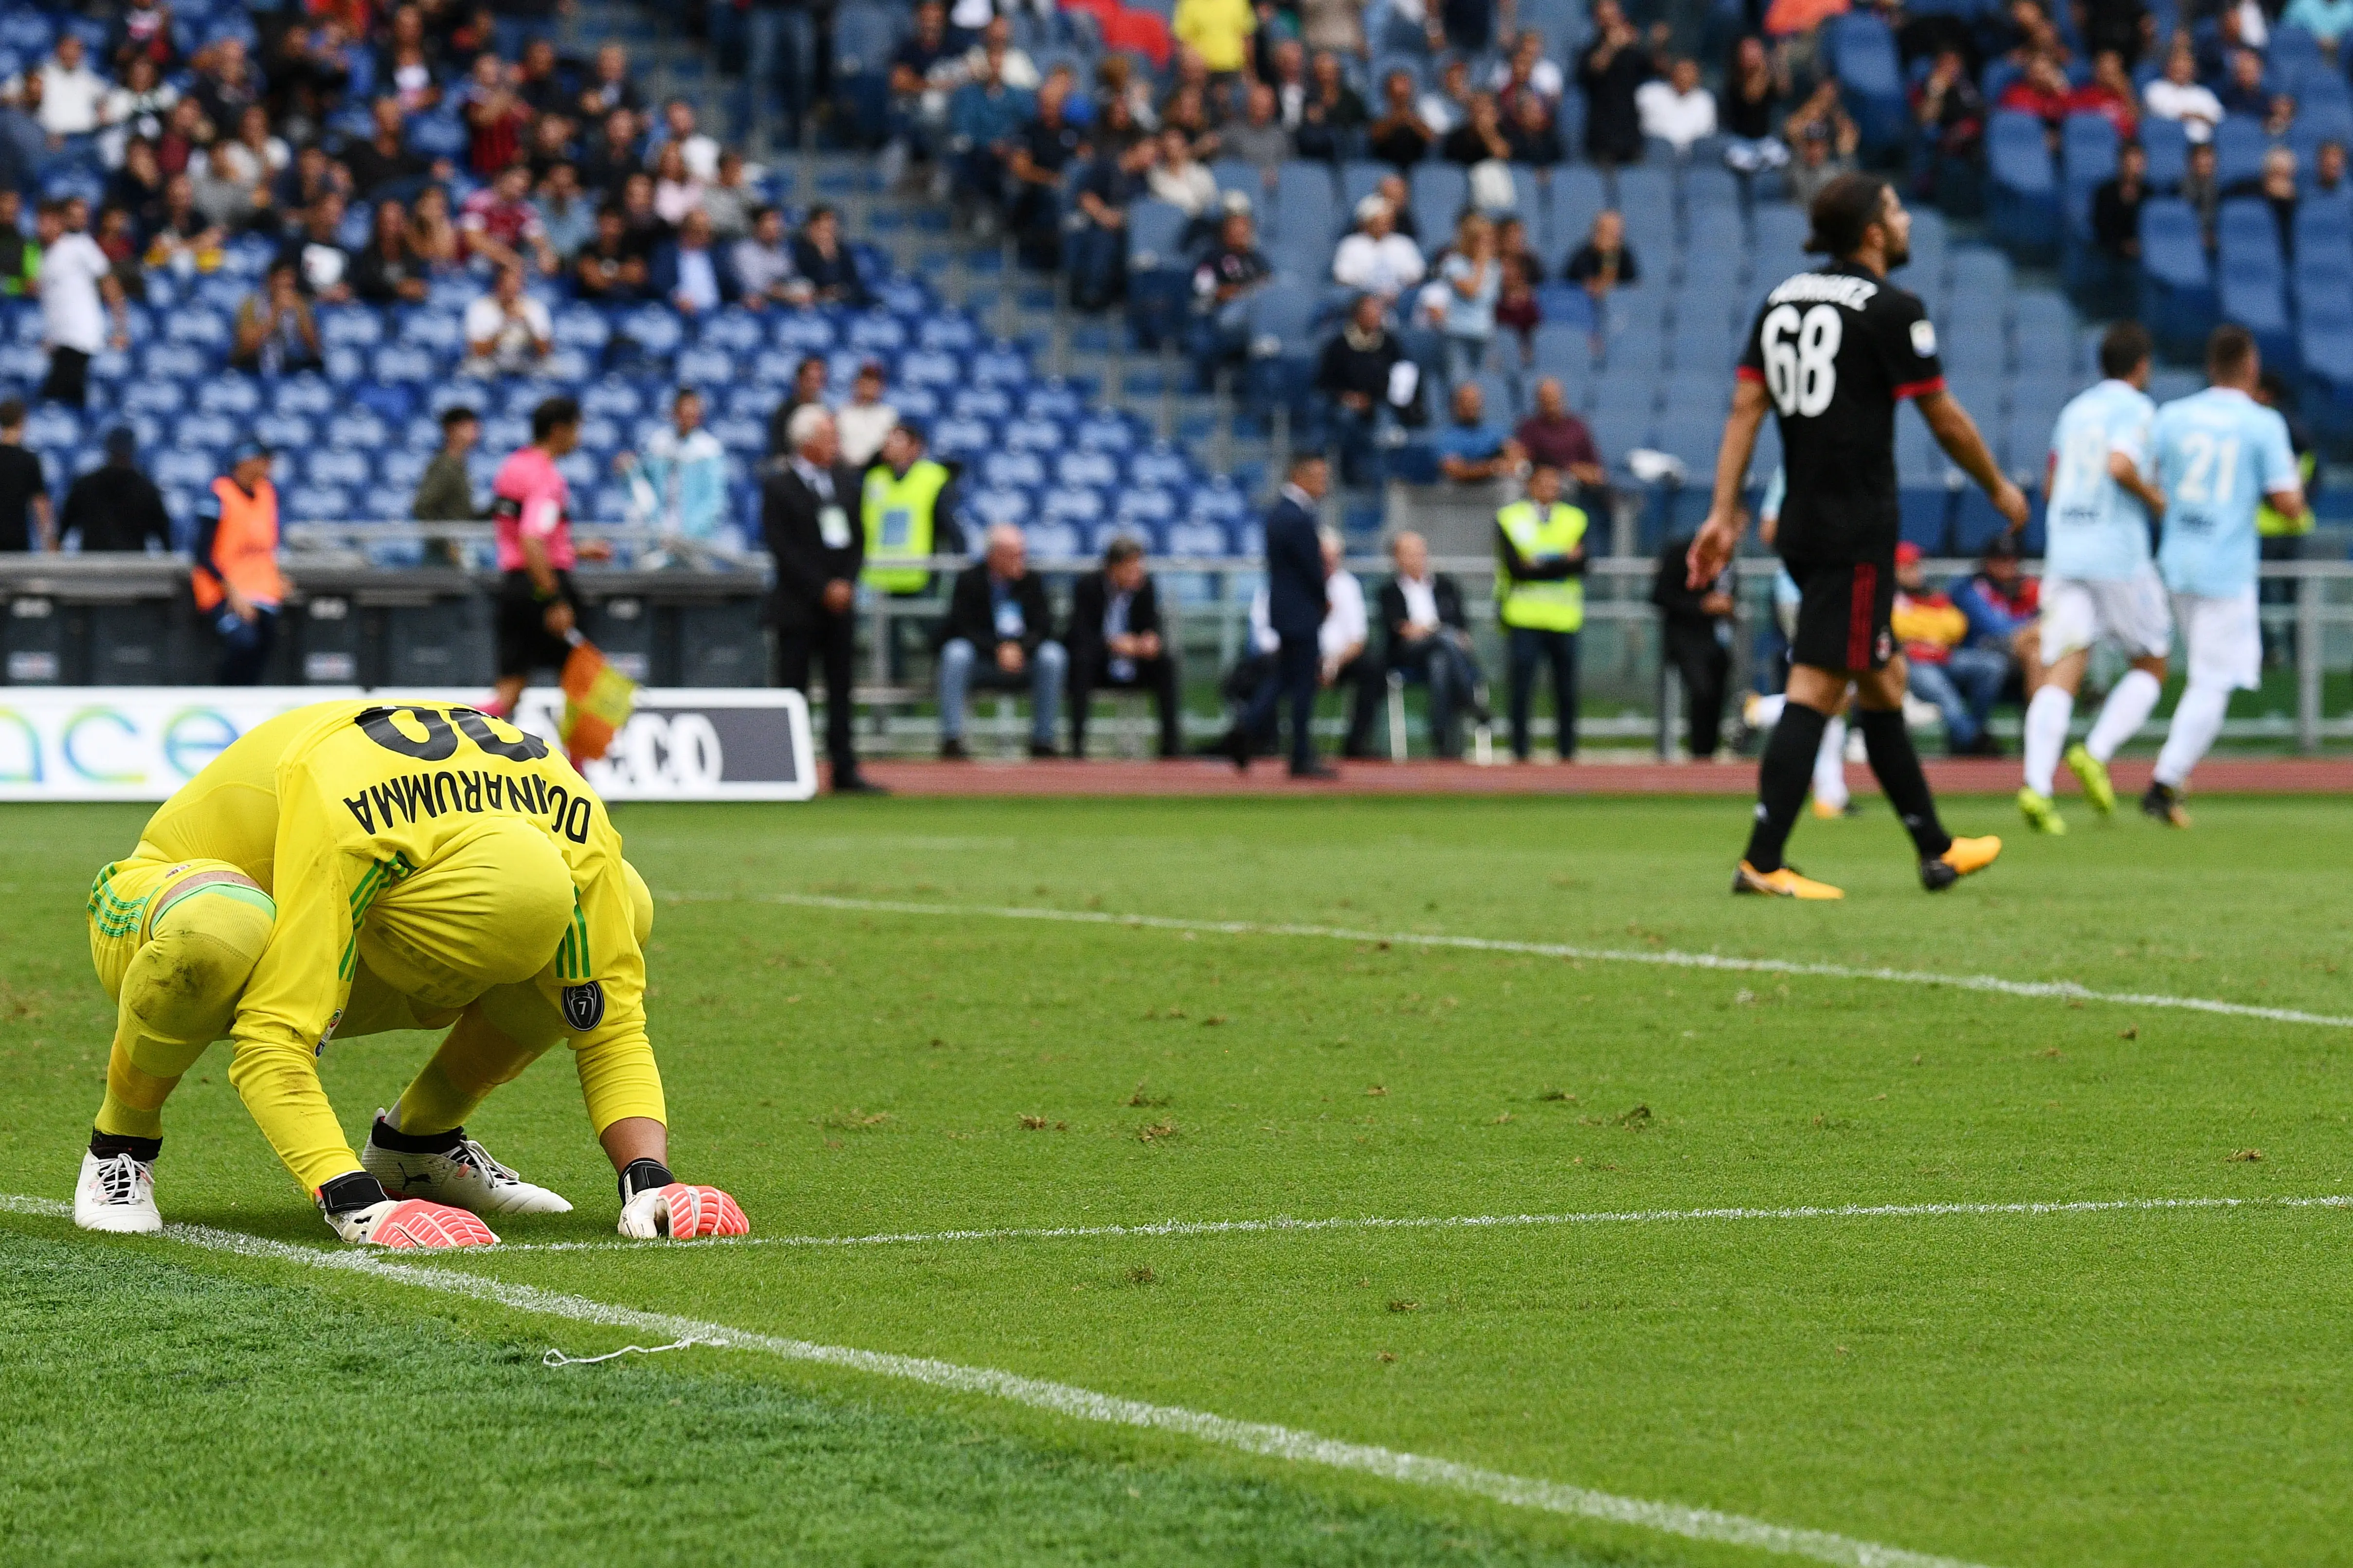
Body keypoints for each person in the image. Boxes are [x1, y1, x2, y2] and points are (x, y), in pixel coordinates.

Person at [67, 697, 747, 1246]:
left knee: (628, 903)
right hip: (173, 905)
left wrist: (650, 1178)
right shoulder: (351, 824)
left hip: (364, 914)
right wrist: (354, 1203)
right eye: (447, 970)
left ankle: (416, 1146)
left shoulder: (580, 835)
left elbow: (610, 1026)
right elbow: (271, 1047)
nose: (452, 998)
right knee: (222, 925)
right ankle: (120, 1147)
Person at [1687, 173, 2023, 899]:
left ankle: (1936, 848)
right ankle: (1763, 858)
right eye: (1897, 210)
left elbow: (1746, 408)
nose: (1905, 221)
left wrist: (1722, 513)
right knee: (1819, 685)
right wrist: (1999, 487)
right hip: (1857, 527)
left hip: (1803, 524)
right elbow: (1945, 418)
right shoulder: (1892, 308)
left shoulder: (1780, 299)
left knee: (1883, 678)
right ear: (1872, 230)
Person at [2144, 325, 2305, 825]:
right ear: (2251, 368)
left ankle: (2173, 778)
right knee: (2215, 681)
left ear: (2211, 366)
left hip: (2176, 560)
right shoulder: (2263, 423)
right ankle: (2166, 781)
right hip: (2225, 567)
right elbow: (2289, 503)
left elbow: (2148, 481)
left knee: (2203, 674)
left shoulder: (2172, 415)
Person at [2016, 323, 2171, 834]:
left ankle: (2037, 786)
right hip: (2117, 553)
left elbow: (2050, 485)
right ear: (2142, 366)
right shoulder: (2139, 410)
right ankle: (2095, 752)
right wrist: (2156, 501)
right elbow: (2121, 465)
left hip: (2066, 549)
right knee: (2151, 663)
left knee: (2064, 666)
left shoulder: (2074, 410)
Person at [765, 404, 884, 795]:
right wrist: (823, 587)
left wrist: (846, 583)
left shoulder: (845, 483)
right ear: (806, 442)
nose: (836, 444)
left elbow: (858, 540)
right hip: (799, 607)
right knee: (793, 690)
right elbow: (783, 548)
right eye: (829, 436)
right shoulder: (780, 486)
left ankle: (844, 768)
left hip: (840, 608)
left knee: (841, 690)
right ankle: (788, 769)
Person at [488, 397, 614, 717]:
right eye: (576, 429)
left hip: (515, 586)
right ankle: (576, 766)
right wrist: (554, 598)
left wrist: (574, 550)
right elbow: (532, 539)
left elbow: (519, 535)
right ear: (559, 430)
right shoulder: (547, 477)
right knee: (581, 681)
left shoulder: (512, 467)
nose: (579, 437)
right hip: (543, 587)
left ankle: (461, 745)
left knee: (508, 689)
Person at [1225, 451, 1337, 777]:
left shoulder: (1280, 513)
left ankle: (1245, 728)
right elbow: (1309, 567)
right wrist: (1323, 598)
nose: (1324, 484)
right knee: (1302, 684)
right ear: (1300, 477)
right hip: (1300, 611)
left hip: (1286, 608)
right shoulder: (1298, 516)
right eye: (1319, 477)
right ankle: (1300, 756)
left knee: (1283, 677)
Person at [936, 524, 1067, 759]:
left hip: (1024, 661)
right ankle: (952, 739)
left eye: (1022, 553)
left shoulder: (1032, 581)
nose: (1020, 560)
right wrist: (997, 648)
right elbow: (961, 627)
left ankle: (1043, 740)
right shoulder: (970, 580)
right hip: (983, 661)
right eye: (1014, 554)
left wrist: (1019, 648)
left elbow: (1043, 627)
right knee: (956, 653)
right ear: (994, 555)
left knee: (1053, 656)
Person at [1494, 458, 1588, 762]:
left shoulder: (1576, 519)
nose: (1552, 488)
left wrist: (1538, 562)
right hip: (1524, 617)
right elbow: (1517, 569)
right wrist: (1561, 561)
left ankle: (1566, 752)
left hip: (1564, 618)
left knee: (1567, 692)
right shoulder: (1510, 518)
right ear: (1530, 485)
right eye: (1545, 482)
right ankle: (1520, 752)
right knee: (1521, 690)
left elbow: (1583, 564)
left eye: (1555, 482)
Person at [1067, 536, 1184, 759]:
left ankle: (1172, 746)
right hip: (1099, 663)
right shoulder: (1088, 586)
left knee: (1166, 662)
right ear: (1114, 567)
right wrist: (1114, 644)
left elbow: (1150, 626)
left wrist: (1149, 641)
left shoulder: (1145, 587)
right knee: (1081, 662)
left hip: (1134, 663)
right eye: (1132, 566)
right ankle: (1077, 745)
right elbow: (1079, 634)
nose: (1138, 571)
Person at [1378, 530, 1484, 758]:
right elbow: (1399, 630)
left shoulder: (1446, 586)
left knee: (1440, 662)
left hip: (1443, 655)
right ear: (1397, 558)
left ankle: (1442, 739)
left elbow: (1462, 629)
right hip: (1408, 654)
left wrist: (1432, 632)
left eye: (1420, 553)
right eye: (1410, 554)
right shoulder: (1389, 591)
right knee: (1444, 639)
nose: (1418, 558)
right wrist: (1434, 631)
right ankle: (1468, 699)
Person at [1894, 541, 2007, 756]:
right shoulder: (1889, 597)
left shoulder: (1931, 595)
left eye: (1917, 566)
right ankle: (1974, 742)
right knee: (1944, 693)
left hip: (1945, 656)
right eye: (1908, 567)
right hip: (1912, 663)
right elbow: (1897, 627)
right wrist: (1930, 628)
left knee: (1992, 666)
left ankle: (1972, 733)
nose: (1916, 572)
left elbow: (1957, 626)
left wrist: (1920, 629)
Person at [190, 442, 284, 685]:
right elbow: (202, 554)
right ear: (246, 461)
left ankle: (250, 698)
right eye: (264, 459)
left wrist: (277, 577)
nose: (269, 466)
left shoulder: (267, 493)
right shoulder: (219, 495)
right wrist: (232, 592)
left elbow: (264, 546)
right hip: (222, 589)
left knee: (268, 640)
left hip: (260, 589)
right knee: (244, 641)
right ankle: (227, 697)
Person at [1316, 291, 1415, 489]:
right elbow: (1324, 383)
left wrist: (1382, 399)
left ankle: (1384, 484)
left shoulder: (1390, 343)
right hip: (1346, 406)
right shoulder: (1338, 346)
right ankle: (1352, 477)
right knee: (1347, 419)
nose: (1377, 318)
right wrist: (1346, 396)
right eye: (1371, 314)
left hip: (1381, 404)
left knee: (1387, 427)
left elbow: (1402, 376)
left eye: (1379, 313)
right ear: (1358, 316)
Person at [35, 198, 127, 409]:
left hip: (79, 337)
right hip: (62, 340)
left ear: (60, 222)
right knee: (71, 398)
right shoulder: (46, 255)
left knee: (53, 395)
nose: (42, 227)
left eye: (47, 222)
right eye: (39, 222)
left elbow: (109, 282)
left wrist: (120, 327)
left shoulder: (80, 246)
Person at [1653, 527, 1736, 759]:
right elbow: (1661, 595)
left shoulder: (1729, 561)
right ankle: (1698, 758)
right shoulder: (1682, 552)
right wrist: (1702, 605)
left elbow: (1728, 597)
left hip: (1718, 642)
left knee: (1718, 700)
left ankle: (1707, 756)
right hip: (1687, 639)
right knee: (1702, 693)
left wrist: (1729, 610)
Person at [619, 386, 731, 549]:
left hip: (694, 542)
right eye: (684, 411)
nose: (689, 417)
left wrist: (686, 536)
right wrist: (629, 469)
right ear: (674, 413)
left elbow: (713, 502)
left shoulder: (709, 451)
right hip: (659, 536)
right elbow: (643, 483)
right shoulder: (659, 444)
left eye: (694, 412)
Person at [859, 420, 959, 599]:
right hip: (876, 576)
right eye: (887, 439)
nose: (888, 444)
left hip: (918, 575)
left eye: (897, 439)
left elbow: (949, 525)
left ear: (915, 447)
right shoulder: (874, 479)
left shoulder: (932, 477)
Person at [60, 427, 171, 552]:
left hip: (99, 563)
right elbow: (165, 538)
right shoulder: (147, 488)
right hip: (129, 565)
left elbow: (63, 528)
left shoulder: (85, 484)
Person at [1514, 377, 1608, 500]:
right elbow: (1521, 462)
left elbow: (1595, 467)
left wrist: (1585, 473)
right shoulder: (1529, 428)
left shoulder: (1578, 427)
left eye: (1555, 398)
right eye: (1546, 399)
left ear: (1563, 398)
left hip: (1574, 480)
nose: (1552, 402)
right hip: (1538, 480)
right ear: (1538, 401)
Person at [231, 259, 324, 375]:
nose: (287, 283)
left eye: (291, 280)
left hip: (290, 371)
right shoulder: (252, 304)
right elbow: (245, 348)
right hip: (254, 370)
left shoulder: (300, 304)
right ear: (271, 280)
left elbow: (315, 349)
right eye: (283, 278)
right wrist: (276, 313)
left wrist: (301, 316)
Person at [462, 262, 553, 377]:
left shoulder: (535, 308)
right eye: (506, 286)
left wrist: (527, 324)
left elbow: (545, 352)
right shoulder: (480, 308)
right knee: (475, 368)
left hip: (525, 361)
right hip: (491, 363)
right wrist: (504, 325)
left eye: (515, 285)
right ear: (498, 285)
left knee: (552, 369)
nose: (511, 291)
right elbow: (479, 352)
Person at [1331, 195, 1424, 306]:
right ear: (1366, 223)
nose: (1383, 226)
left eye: (1387, 222)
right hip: (1363, 300)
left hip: (1399, 299)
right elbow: (1342, 277)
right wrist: (1373, 293)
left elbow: (1417, 274)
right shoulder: (1351, 245)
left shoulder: (1403, 244)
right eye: (1378, 222)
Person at [1436, 380, 1519, 484]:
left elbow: (1516, 454)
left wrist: (1509, 463)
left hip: (1492, 485)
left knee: (1512, 481)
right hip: (1460, 490)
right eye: (1467, 402)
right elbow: (1456, 471)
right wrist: (1492, 467)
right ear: (1456, 405)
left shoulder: (1494, 430)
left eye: (1475, 401)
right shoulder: (1446, 437)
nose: (1472, 406)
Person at [412, 405, 484, 523]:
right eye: (467, 427)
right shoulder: (444, 466)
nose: (474, 433)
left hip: (463, 536)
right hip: (453, 536)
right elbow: (423, 506)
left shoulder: (459, 464)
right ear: (451, 429)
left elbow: (462, 512)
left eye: (475, 428)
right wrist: (444, 539)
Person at [0, 397, 53, 552]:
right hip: (16, 538)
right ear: (21, 421)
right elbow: (40, 504)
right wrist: (49, 542)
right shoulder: (28, 460)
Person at [2141, 43, 2222, 144]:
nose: (2181, 67)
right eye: (2177, 61)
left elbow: (2218, 119)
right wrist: (2198, 116)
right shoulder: (2155, 90)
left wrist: (2192, 116)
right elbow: (2167, 115)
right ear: (2168, 65)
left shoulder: (2204, 94)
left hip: (2202, 148)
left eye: (2186, 62)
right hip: (2168, 144)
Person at [1637, 57, 1716, 154]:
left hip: (1690, 160)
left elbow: (1705, 137)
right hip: (1653, 154)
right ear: (1672, 72)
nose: (1684, 76)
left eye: (1689, 72)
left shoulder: (1705, 100)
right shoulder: (1649, 93)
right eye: (1682, 71)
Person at [1564, 209, 1639, 304]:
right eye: (1610, 232)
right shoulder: (1583, 256)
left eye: (1618, 231)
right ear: (1598, 232)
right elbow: (1595, 290)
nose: (1616, 236)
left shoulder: (1625, 254)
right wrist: (1610, 255)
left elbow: (1633, 287)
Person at [835, 360, 899, 469]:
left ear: (882, 387)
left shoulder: (888, 415)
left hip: (876, 470)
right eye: (866, 380)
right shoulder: (843, 412)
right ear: (857, 383)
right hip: (844, 469)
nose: (869, 386)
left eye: (874, 381)